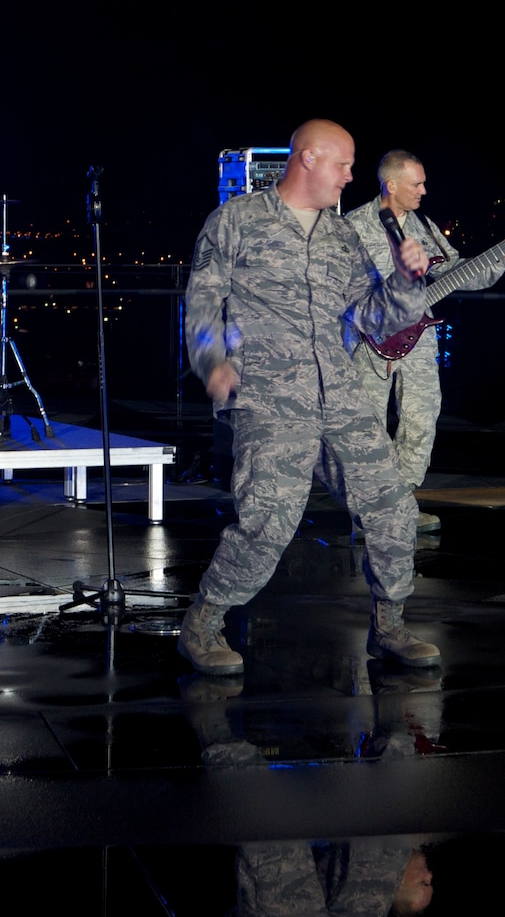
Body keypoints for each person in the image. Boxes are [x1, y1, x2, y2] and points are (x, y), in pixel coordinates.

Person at [180, 119, 436, 674]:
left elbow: (373, 318)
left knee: (393, 505)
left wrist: (404, 281)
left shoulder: (340, 236)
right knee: (269, 519)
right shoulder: (236, 222)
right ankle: (203, 623)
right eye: (343, 165)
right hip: (269, 397)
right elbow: (202, 302)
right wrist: (212, 362)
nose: (351, 176)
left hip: (339, 393)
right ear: (308, 158)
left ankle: (389, 625)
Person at [344, 151, 505, 534]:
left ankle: (399, 505)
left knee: (421, 420)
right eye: (417, 184)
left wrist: (503, 257)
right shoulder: (352, 227)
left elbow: (458, 272)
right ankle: (367, 516)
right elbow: (338, 290)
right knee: (369, 430)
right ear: (391, 185)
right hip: (368, 342)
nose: (424, 190)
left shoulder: (424, 227)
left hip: (420, 339)